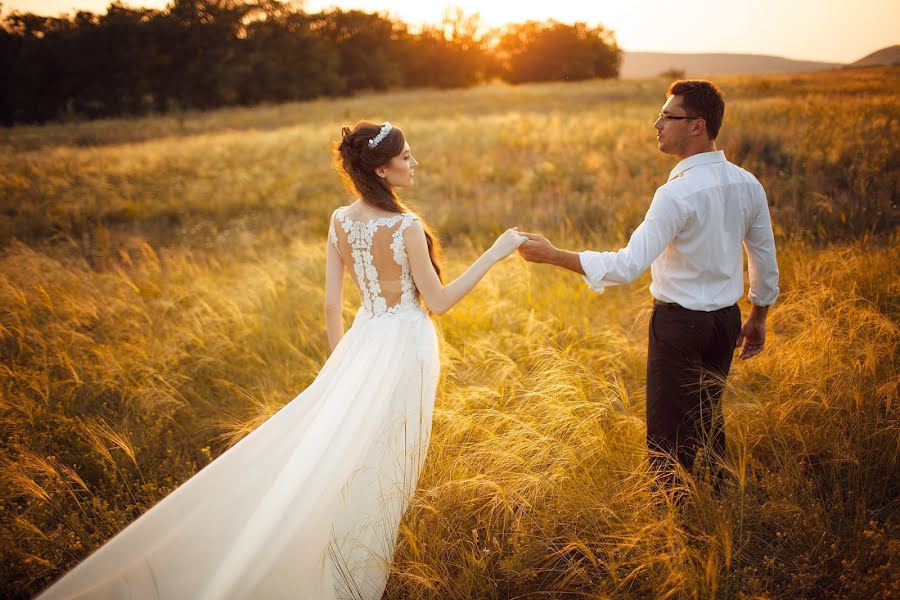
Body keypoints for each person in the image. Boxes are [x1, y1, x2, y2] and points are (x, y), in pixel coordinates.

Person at [34, 121, 526, 600]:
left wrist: (341, 368)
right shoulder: (406, 226)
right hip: (404, 348)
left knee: (340, 452)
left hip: (360, 343)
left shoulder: (340, 220)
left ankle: (319, 546)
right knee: (384, 464)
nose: (413, 163)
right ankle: (346, 571)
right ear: (380, 170)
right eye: (405, 157)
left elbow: (332, 306)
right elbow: (437, 303)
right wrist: (495, 253)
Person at [517, 80, 780, 494]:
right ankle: (716, 505)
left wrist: (553, 255)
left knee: (668, 432)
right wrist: (758, 315)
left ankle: (667, 528)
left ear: (697, 126)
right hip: (725, 324)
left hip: (679, 326)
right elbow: (763, 258)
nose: (656, 124)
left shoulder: (674, 194)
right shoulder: (748, 183)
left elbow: (627, 266)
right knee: (708, 416)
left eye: (667, 116)